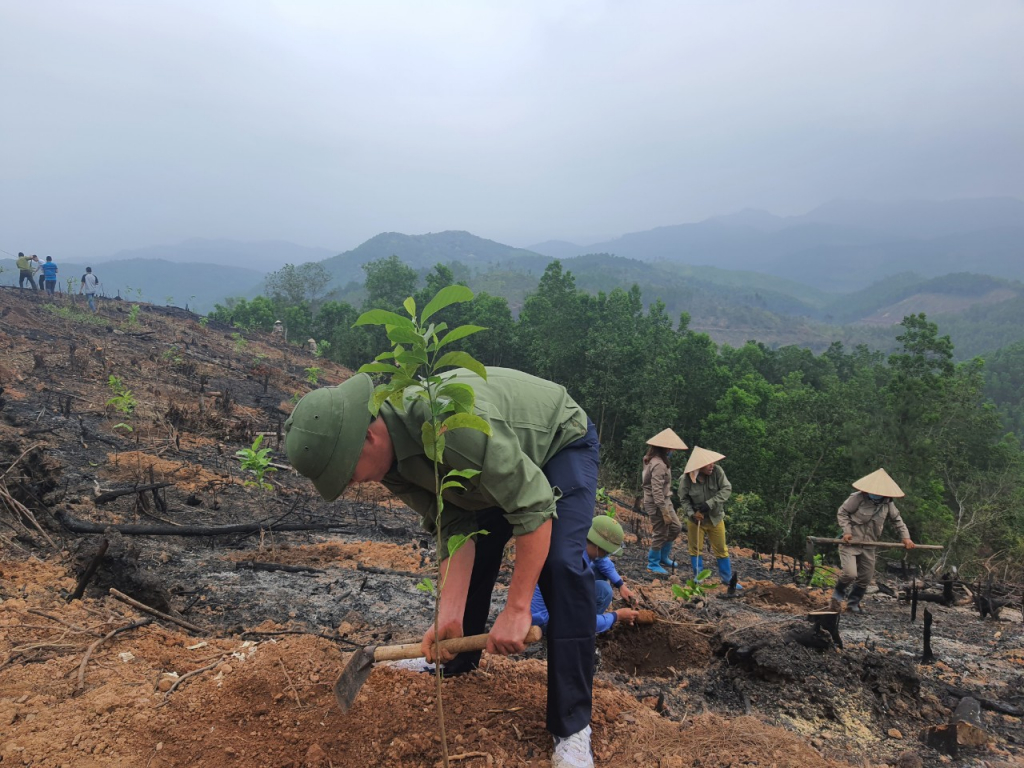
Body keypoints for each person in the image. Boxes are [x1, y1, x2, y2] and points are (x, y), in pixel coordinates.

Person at [285, 368, 601, 768]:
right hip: (493, 467)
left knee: (560, 564)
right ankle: (457, 659)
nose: (353, 483)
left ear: (368, 436)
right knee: (481, 543)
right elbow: (454, 524)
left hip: (557, 442)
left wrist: (518, 608)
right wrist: (449, 617)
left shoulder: (447, 423)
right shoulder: (387, 463)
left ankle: (572, 728)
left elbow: (534, 506)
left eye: (348, 473)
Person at [530, 516, 639, 635]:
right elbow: (579, 619)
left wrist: (621, 585)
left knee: (598, 570)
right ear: (598, 547)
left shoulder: (578, 541)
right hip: (545, 620)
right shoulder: (574, 568)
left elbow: (603, 561)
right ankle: (582, 633)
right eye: (606, 552)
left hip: (549, 599)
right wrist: (616, 616)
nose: (606, 555)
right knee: (604, 590)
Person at [830, 469, 915, 614]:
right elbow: (842, 512)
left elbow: (897, 521)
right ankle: (838, 594)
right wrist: (847, 531)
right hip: (850, 543)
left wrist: (906, 537)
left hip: (870, 544)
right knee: (850, 574)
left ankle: (853, 603)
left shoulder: (887, 503)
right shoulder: (857, 498)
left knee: (866, 577)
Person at [678, 446, 742, 589]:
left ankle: (727, 579)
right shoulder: (686, 479)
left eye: (712, 462)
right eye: (708, 464)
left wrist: (710, 503)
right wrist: (691, 514)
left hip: (715, 517)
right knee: (695, 549)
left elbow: (727, 489)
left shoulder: (717, 472)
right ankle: (698, 579)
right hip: (696, 520)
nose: (712, 466)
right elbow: (683, 500)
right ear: (699, 466)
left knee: (721, 548)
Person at [641, 428, 688, 575]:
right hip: (657, 503)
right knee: (660, 531)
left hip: (665, 500)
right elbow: (656, 490)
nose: (673, 450)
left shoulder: (655, 460)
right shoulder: (658, 464)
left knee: (676, 527)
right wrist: (663, 510)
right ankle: (653, 562)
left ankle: (663, 556)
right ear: (664, 448)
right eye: (671, 447)